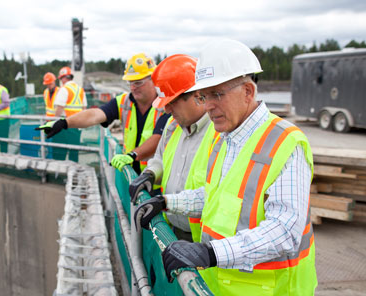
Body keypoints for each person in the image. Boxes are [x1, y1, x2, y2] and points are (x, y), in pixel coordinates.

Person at [134, 39, 316, 295]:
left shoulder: (285, 143)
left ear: (248, 92)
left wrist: (210, 252)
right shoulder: (223, 139)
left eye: (217, 94)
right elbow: (214, 198)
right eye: (204, 96)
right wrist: (166, 202)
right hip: (217, 286)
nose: (208, 106)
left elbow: (285, 231)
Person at [129, 54, 219, 243]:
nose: (167, 110)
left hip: (203, 241)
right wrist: (150, 174)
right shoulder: (172, 127)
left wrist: (166, 202)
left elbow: (217, 195)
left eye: (172, 103)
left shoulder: (219, 133)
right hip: (172, 231)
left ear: (197, 96)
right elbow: (160, 159)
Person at [37, 53, 170, 174]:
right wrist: (64, 122)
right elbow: (95, 115)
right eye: (130, 82)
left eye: (138, 82)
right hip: (131, 177)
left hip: (156, 183)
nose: (133, 87)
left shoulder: (166, 106)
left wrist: (132, 155)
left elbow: (157, 139)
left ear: (154, 79)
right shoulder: (124, 102)